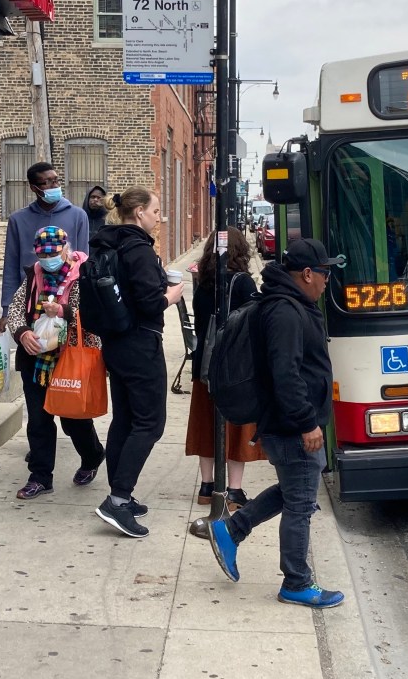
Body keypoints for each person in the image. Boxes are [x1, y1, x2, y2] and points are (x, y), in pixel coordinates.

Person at [208, 238, 345, 609]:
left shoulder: (291, 304)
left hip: (290, 421)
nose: (327, 280)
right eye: (324, 273)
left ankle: (231, 530)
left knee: (293, 491)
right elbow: (285, 374)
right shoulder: (285, 311)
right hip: (291, 424)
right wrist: (306, 423)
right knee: (300, 505)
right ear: (306, 274)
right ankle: (296, 582)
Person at [91, 187, 184, 537]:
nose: (159, 218)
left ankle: (120, 495)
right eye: (156, 211)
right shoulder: (139, 249)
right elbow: (148, 302)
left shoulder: (109, 241)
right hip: (141, 343)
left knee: (126, 419)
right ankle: (117, 500)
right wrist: (170, 296)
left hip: (114, 342)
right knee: (150, 423)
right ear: (139, 212)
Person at [5, 225, 106, 497]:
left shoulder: (83, 274)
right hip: (35, 361)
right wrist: (22, 332)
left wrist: (63, 310)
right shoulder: (33, 276)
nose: (47, 259)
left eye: (53, 253)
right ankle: (40, 477)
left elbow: (94, 316)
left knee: (73, 420)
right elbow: (15, 309)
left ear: (65, 249)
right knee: (38, 420)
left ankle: (93, 455)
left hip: (70, 359)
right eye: (42, 254)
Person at [185, 229, 265, 510]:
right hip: (234, 369)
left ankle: (206, 486)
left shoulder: (204, 282)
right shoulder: (243, 283)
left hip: (203, 366)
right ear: (240, 250)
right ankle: (234, 491)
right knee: (237, 427)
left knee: (206, 425)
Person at [0, 163, 91, 332]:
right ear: (34, 188)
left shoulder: (78, 216)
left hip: (67, 303)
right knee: (30, 352)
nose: (54, 186)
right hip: (28, 301)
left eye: (56, 181)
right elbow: (11, 266)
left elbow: (84, 262)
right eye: (47, 182)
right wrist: (7, 310)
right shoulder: (18, 220)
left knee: (66, 356)